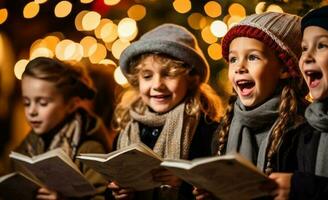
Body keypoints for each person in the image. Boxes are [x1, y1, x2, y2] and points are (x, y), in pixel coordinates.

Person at [194, 12, 311, 199]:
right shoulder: (225, 128)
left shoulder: (303, 130)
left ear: (284, 69)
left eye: (253, 57)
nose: (239, 67)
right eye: (233, 59)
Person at [107, 23, 224, 200]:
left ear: (191, 79)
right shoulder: (126, 130)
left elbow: (218, 190)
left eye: (169, 74)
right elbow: (110, 186)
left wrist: (183, 184)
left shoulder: (207, 131)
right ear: (136, 81)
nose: (157, 85)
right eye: (147, 76)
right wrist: (117, 193)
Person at [270, 2, 328, 200]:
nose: (307, 57)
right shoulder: (299, 136)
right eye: (304, 48)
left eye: (322, 46)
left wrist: (302, 190)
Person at [16, 57, 112, 200]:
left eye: (42, 103)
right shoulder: (27, 146)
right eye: (26, 102)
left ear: (71, 105)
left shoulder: (89, 149)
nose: (32, 111)